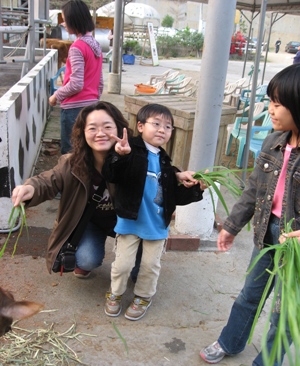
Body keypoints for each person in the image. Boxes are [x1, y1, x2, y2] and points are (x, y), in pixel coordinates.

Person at [199, 63, 300, 366]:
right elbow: (254, 189)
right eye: (270, 100)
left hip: (294, 245)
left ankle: (267, 364)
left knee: (283, 311)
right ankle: (231, 342)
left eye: (277, 103)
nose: (270, 109)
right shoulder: (274, 140)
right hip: (265, 232)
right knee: (249, 295)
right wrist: (231, 225)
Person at [102, 103, 205, 321]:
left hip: (157, 224)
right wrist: (120, 156)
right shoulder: (130, 149)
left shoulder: (166, 162)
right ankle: (116, 293)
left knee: (149, 266)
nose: (162, 130)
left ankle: (143, 297)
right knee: (122, 264)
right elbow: (112, 174)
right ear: (140, 126)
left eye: (168, 127)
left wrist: (196, 190)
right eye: (156, 124)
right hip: (130, 221)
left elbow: (173, 198)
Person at [11, 101, 136, 279]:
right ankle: (86, 254)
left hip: (127, 222)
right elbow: (49, 180)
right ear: (83, 133)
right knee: (86, 259)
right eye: (92, 128)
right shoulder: (72, 163)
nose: (100, 133)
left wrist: (177, 176)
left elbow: (159, 176)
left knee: (140, 272)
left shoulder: (135, 159)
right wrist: (30, 188)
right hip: (91, 221)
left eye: (107, 127)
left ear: (119, 129)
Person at [49, 0, 103, 155]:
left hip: (74, 108)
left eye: (65, 19)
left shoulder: (77, 47)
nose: (63, 23)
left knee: (70, 152)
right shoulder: (96, 45)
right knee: (86, 150)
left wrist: (55, 96)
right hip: (91, 106)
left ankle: (70, 179)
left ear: (74, 20)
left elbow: (76, 84)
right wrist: (94, 100)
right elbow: (99, 81)